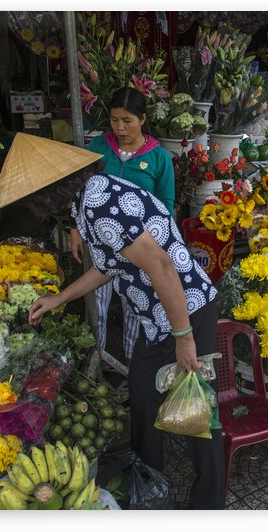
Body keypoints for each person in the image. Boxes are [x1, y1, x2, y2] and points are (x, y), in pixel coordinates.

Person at [31, 170, 225, 510]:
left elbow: (162, 267)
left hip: (185, 311)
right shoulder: (92, 198)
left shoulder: (97, 203)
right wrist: (59, 299)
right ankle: (148, 485)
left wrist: (184, 338)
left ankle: (208, 504)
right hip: (156, 319)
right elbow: (110, 265)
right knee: (142, 393)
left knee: (197, 409)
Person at [69, 87, 176, 362]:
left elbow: (166, 205)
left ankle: (132, 366)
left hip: (140, 247)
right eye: (115, 120)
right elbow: (78, 190)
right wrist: (75, 229)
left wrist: (161, 250)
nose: (120, 127)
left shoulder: (158, 157)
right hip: (100, 242)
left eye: (127, 121)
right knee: (97, 305)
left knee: (134, 305)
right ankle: (95, 360)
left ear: (143, 119)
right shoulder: (98, 148)